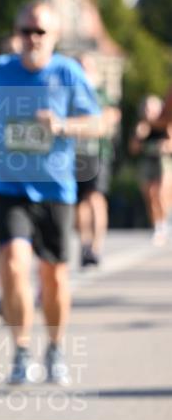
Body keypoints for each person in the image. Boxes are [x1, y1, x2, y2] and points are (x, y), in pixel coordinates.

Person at [0, 0, 101, 385]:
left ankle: (55, 348)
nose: (33, 38)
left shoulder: (68, 73)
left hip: (56, 188)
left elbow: (98, 123)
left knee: (54, 277)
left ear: (54, 36)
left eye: (41, 32)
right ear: (16, 33)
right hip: (8, 184)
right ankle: (22, 349)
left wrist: (62, 126)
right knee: (13, 262)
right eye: (26, 31)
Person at [74, 53, 121, 267]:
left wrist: (84, 126)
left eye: (87, 66)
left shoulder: (101, 94)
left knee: (96, 197)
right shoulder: (70, 94)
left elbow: (109, 119)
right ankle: (84, 245)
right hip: (75, 153)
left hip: (98, 152)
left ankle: (96, 246)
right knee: (80, 201)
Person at [129, 95, 172, 245]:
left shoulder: (166, 124)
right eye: (147, 109)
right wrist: (140, 136)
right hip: (147, 162)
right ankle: (157, 226)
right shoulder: (142, 126)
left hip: (163, 162)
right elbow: (133, 149)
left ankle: (165, 223)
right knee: (150, 195)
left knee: (161, 194)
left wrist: (163, 145)